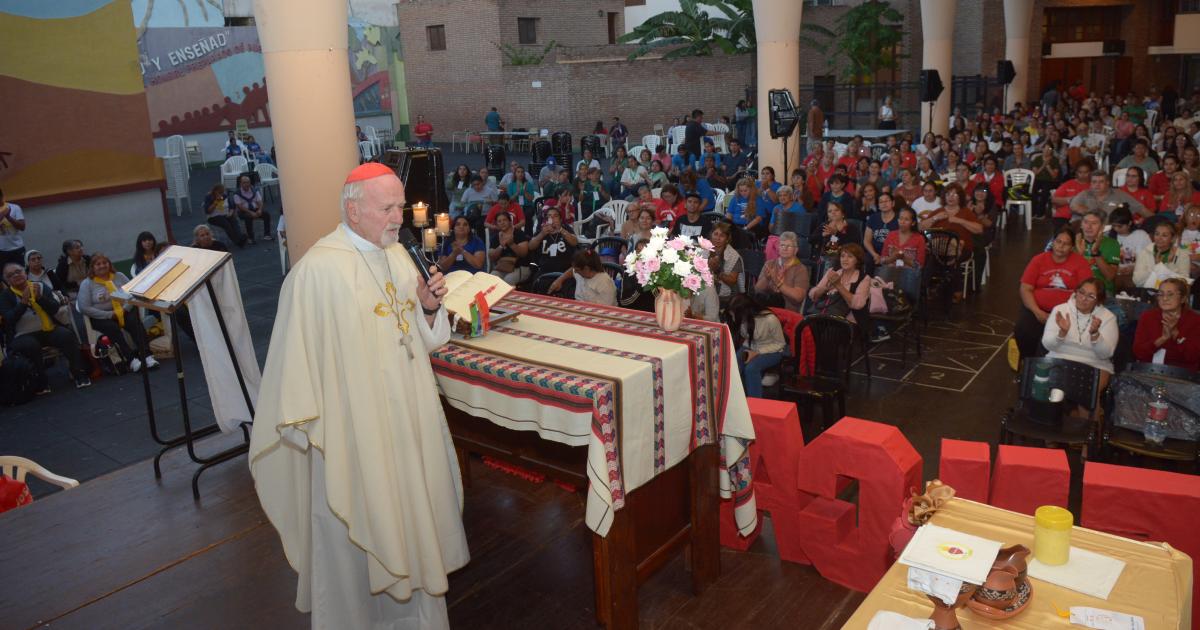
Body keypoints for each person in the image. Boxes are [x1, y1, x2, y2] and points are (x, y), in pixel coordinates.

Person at [249, 162, 467, 629]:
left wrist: (429, 309)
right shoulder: (316, 272)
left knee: (410, 521)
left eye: (400, 207)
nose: (398, 218)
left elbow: (422, 339)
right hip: (355, 435)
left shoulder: (398, 256)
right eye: (387, 208)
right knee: (359, 532)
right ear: (353, 209)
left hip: (407, 421)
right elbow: (295, 366)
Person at [1, 262, 91, 389]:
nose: (16, 275)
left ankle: (78, 373)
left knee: (66, 336)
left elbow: (54, 308)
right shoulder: (5, 296)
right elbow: (9, 319)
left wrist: (40, 298)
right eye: (11, 275)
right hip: (23, 334)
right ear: (7, 281)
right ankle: (41, 381)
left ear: (25, 273)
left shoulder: (40, 286)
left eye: (18, 272)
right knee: (30, 345)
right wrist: (23, 303)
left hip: (48, 328)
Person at [1014, 228, 1096, 361]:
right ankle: (1027, 364)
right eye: (1058, 241)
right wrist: (1036, 311)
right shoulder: (1038, 260)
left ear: (1072, 247)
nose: (1061, 246)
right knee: (1023, 332)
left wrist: (1067, 311)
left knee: (1052, 340)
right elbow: (1025, 289)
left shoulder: (1080, 263)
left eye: (1066, 244)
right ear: (1053, 242)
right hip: (1037, 309)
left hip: (1066, 311)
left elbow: (1086, 292)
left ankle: (1048, 367)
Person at [76, 253, 158, 372]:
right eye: (98, 264)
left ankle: (147, 356)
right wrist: (109, 315)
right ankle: (131, 360)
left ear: (109, 264)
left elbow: (132, 293)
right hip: (102, 316)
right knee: (113, 328)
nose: (102, 266)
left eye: (105, 263)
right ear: (92, 267)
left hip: (124, 310)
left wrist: (125, 308)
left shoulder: (119, 276)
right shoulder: (87, 283)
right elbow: (84, 307)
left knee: (134, 322)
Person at [1041, 278, 1118, 387]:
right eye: (1081, 292)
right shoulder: (1060, 310)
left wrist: (1095, 335)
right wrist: (1061, 334)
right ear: (1076, 292)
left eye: (1090, 296)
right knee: (1046, 395)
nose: (1083, 298)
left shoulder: (1108, 318)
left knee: (1088, 399)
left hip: (1094, 365)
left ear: (1098, 300)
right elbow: (1048, 345)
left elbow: (1105, 354)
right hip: (1059, 361)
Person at [1132, 277, 1200, 371]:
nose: (1164, 298)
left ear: (1183, 299)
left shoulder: (1195, 320)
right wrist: (1162, 339)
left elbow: (1194, 357)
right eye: (1160, 294)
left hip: (1182, 376)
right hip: (1148, 371)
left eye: (1170, 294)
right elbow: (1138, 352)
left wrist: (1176, 334)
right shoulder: (1147, 317)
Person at [726, 294, 785, 398]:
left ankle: (755, 403)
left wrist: (757, 352)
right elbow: (746, 338)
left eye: (734, 315)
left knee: (751, 368)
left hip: (773, 350)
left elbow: (780, 344)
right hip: (751, 346)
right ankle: (732, 398)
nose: (733, 318)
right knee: (733, 363)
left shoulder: (770, 319)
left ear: (744, 311)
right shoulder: (742, 320)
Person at [807, 243, 871, 323]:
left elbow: (858, 305)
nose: (845, 259)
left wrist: (838, 285)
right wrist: (825, 289)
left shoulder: (864, 278)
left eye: (850, 256)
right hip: (823, 316)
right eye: (842, 256)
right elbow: (812, 295)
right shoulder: (832, 272)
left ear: (857, 260)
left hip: (847, 323)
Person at [754, 231, 809, 312]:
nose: (785, 248)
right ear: (778, 248)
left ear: (796, 250)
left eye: (789, 246)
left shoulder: (801, 269)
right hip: (767, 308)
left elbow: (798, 297)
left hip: (787, 312)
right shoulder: (770, 263)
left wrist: (778, 283)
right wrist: (766, 278)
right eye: (782, 245)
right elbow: (757, 290)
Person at [1069, 171, 1147, 222]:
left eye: (1101, 182)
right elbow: (1073, 206)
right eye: (1094, 182)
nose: (1097, 185)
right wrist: (1092, 212)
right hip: (1088, 232)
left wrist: (1154, 221)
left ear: (1107, 183)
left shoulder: (1119, 194)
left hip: (1112, 232)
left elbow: (1141, 209)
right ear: (1091, 183)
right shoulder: (1085, 194)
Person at [528, 206, 577, 286]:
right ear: (546, 219)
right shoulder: (542, 231)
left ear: (560, 219)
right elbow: (530, 246)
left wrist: (561, 230)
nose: (552, 218)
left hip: (564, 270)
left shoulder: (565, 228)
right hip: (545, 270)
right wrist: (542, 234)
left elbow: (574, 242)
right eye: (549, 216)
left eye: (555, 216)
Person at [1074, 210, 1120, 295]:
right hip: (1076, 289)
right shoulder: (1072, 242)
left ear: (1102, 227)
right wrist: (1079, 254)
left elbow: (1110, 276)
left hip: (1102, 291)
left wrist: (1095, 253)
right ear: (1081, 225)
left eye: (1094, 223)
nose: (1089, 226)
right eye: (1086, 222)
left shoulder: (1112, 243)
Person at [549, 249, 616, 306]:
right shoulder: (580, 272)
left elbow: (606, 309)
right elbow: (571, 271)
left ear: (586, 269)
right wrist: (559, 280)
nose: (575, 271)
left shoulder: (604, 283)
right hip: (580, 307)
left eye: (577, 269)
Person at [1133, 221, 1190, 287]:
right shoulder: (1144, 252)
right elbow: (1136, 281)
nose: (1159, 238)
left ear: (1173, 238)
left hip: (1171, 293)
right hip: (1148, 291)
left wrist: (1169, 264)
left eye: (1164, 235)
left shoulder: (1182, 254)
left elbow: (1184, 282)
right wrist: (1156, 267)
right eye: (1157, 234)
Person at [1108, 206, 1150, 290]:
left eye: (1120, 226)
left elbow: (1148, 258)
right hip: (1116, 274)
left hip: (1138, 273)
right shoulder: (1109, 237)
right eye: (1114, 226)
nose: (1116, 229)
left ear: (1130, 223)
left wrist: (1135, 267)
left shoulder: (1141, 235)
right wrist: (1117, 269)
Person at [488, 210, 531, 286]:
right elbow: (491, 257)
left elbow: (524, 253)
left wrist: (511, 244)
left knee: (508, 280)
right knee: (491, 279)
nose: (502, 223)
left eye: (504, 220)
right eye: (499, 221)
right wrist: (501, 246)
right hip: (502, 267)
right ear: (497, 224)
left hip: (520, 267)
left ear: (510, 222)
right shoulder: (495, 237)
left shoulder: (519, 234)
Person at [708, 222, 744, 304]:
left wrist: (717, 271)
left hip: (727, 297)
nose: (718, 238)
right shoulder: (704, 251)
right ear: (711, 235)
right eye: (715, 234)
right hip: (706, 292)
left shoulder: (733, 256)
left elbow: (732, 281)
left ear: (727, 239)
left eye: (722, 236)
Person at [232, 174, 272, 243]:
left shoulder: (255, 190)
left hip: (255, 209)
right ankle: (250, 238)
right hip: (243, 211)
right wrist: (251, 212)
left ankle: (267, 235)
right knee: (248, 217)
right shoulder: (237, 193)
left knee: (266, 214)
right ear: (241, 184)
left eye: (248, 182)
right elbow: (240, 206)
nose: (246, 184)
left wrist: (259, 210)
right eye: (244, 183)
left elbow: (260, 201)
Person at [864, 191, 900, 267]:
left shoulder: (900, 219)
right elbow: (866, 241)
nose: (884, 204)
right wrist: (875, 255)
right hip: (875, 252)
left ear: (893, 203)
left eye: (887, 201)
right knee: (867, 260)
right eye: (881, 202)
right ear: (878, 206)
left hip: (893, 253)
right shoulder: (873, 218)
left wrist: (889, 257)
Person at [0, 187, 27, 269]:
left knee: (20, 272)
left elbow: (22, 227)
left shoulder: (14, 207)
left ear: (1, 196)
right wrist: (2, 215)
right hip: (1, 250)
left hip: (17, 248)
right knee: (3, 277)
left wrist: (9, 217)